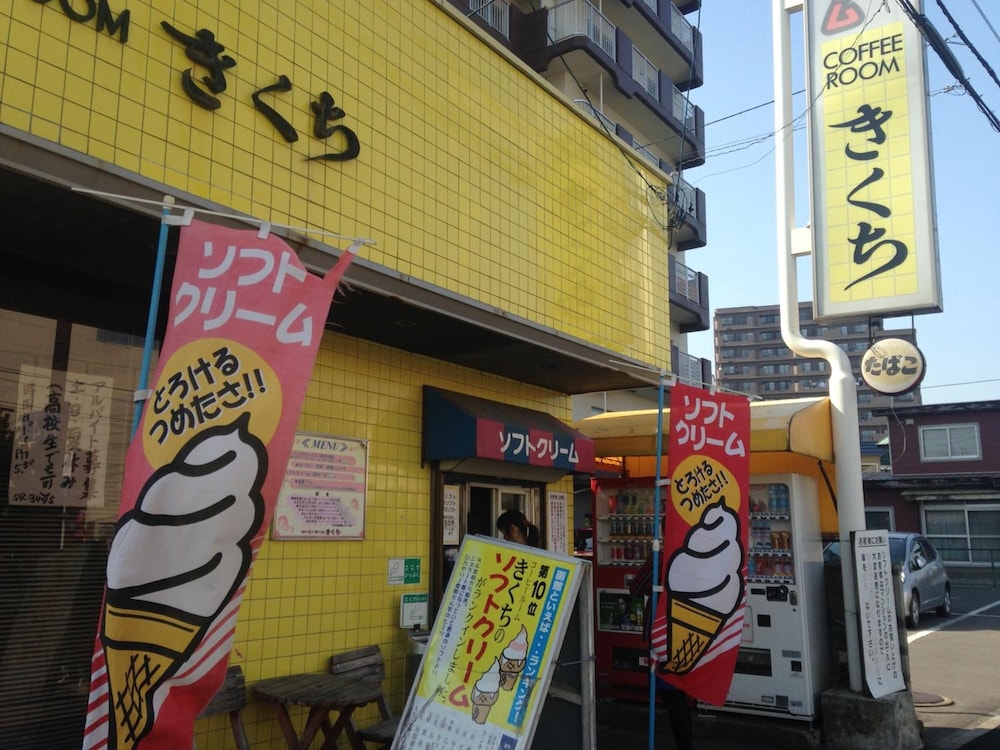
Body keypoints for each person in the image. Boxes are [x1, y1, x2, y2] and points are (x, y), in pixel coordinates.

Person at [629, 553, 695, 750]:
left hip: (662, 631)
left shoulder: (660, 557)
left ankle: (685, 745)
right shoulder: (694, 554)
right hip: (688, 629)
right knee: (679, 691)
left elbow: (637, 586)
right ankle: (687, 743)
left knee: (670, 694)